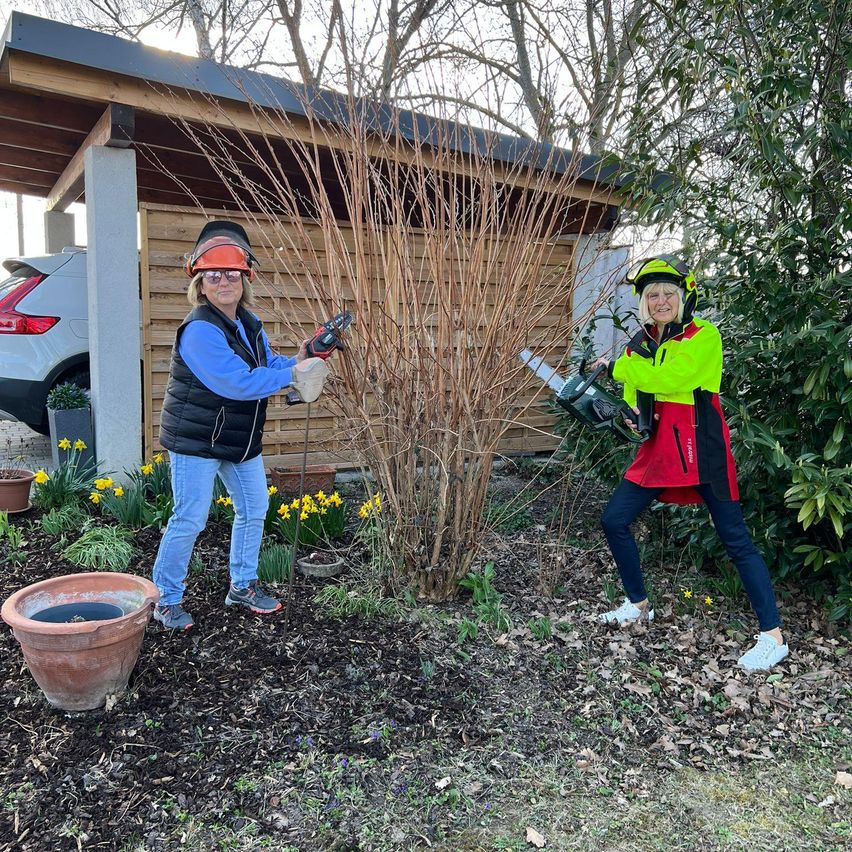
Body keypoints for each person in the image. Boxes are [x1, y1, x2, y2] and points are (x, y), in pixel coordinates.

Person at [593, 254, 788, 672]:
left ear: (683, 297)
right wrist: (628, 409)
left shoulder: (704, 336)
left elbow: (673, 380)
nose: (661, 300)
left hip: (702, 448)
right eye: (652, 295)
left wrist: (622, 369)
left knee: (735, 539)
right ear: (643, 301)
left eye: (668, 293)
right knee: (614, 520)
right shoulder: (642, 342)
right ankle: (637, 604)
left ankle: (773, 637)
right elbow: (637, 395)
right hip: (659, 448)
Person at [151, 220, 330, 630]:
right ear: (200, 283)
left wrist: (305, 359)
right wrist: (294, 377)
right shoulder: (199, 330)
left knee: (254, 508)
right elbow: (236, 382)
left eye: (232, 273)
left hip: (238, 438)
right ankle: (166, 598)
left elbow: (268, 365)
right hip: (196, 440)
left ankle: (243, 585)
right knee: (190, 517)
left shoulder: (249, 323)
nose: (224, 281)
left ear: (244, 279)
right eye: (213, 274)